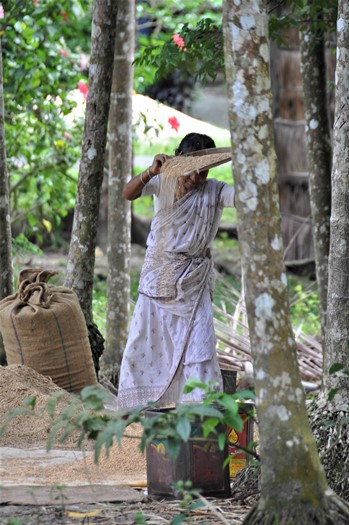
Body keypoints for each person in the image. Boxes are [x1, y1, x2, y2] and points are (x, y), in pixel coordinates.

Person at [117, 132, 235, 409]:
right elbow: (128, 193)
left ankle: (199, 409)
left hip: (194, 282)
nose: (195, 179)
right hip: (158, 275)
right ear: (178, 163)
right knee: (144, 340)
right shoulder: (163, 181)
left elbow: (244, 199)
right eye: (190, 172)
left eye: (202, 173)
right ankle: (137, 407)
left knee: (200, 345)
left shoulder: (215, 191)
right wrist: (151, 171)